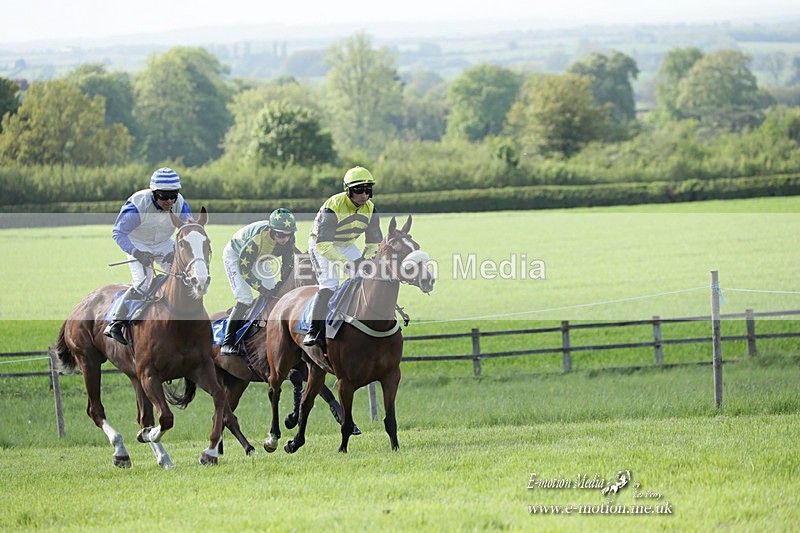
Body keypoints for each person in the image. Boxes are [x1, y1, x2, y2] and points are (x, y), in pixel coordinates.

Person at [104, 167, 192, 345]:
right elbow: (118, 233)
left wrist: (175, 252)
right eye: (164, 196)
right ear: (154, 193)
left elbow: (187, 230)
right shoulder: (138, 205)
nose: (170, 201)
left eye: (173, 196)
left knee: (185, 276)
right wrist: (136, 253)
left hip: (164, 242)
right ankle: (116, 322)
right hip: (137, 243)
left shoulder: (180, 204)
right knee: (143, 282)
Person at [303, 166, 382, 348]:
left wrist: (366, 259)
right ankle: (313, 330)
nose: (364, 195)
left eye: (368, 190)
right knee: (329, 284)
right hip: (321, 244)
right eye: (359, 190)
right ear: (348, 190)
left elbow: (374, 243)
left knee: (366, 276)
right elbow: (324, 245)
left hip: (346, 244)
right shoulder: (333, 207)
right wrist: (348, 263)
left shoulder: (371, 209)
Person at [220, 208, 297, 355]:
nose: (285, 239)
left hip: (261, 258)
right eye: (281, 235)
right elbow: (244, 269)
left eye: (289, 234)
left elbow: (287, 263)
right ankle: (227, 343)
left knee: (274, 293)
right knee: (245, 298)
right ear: (272, 231)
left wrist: (282, 282)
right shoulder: (257, 239)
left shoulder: (289, 239)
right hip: (237, 257)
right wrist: (261, 289)